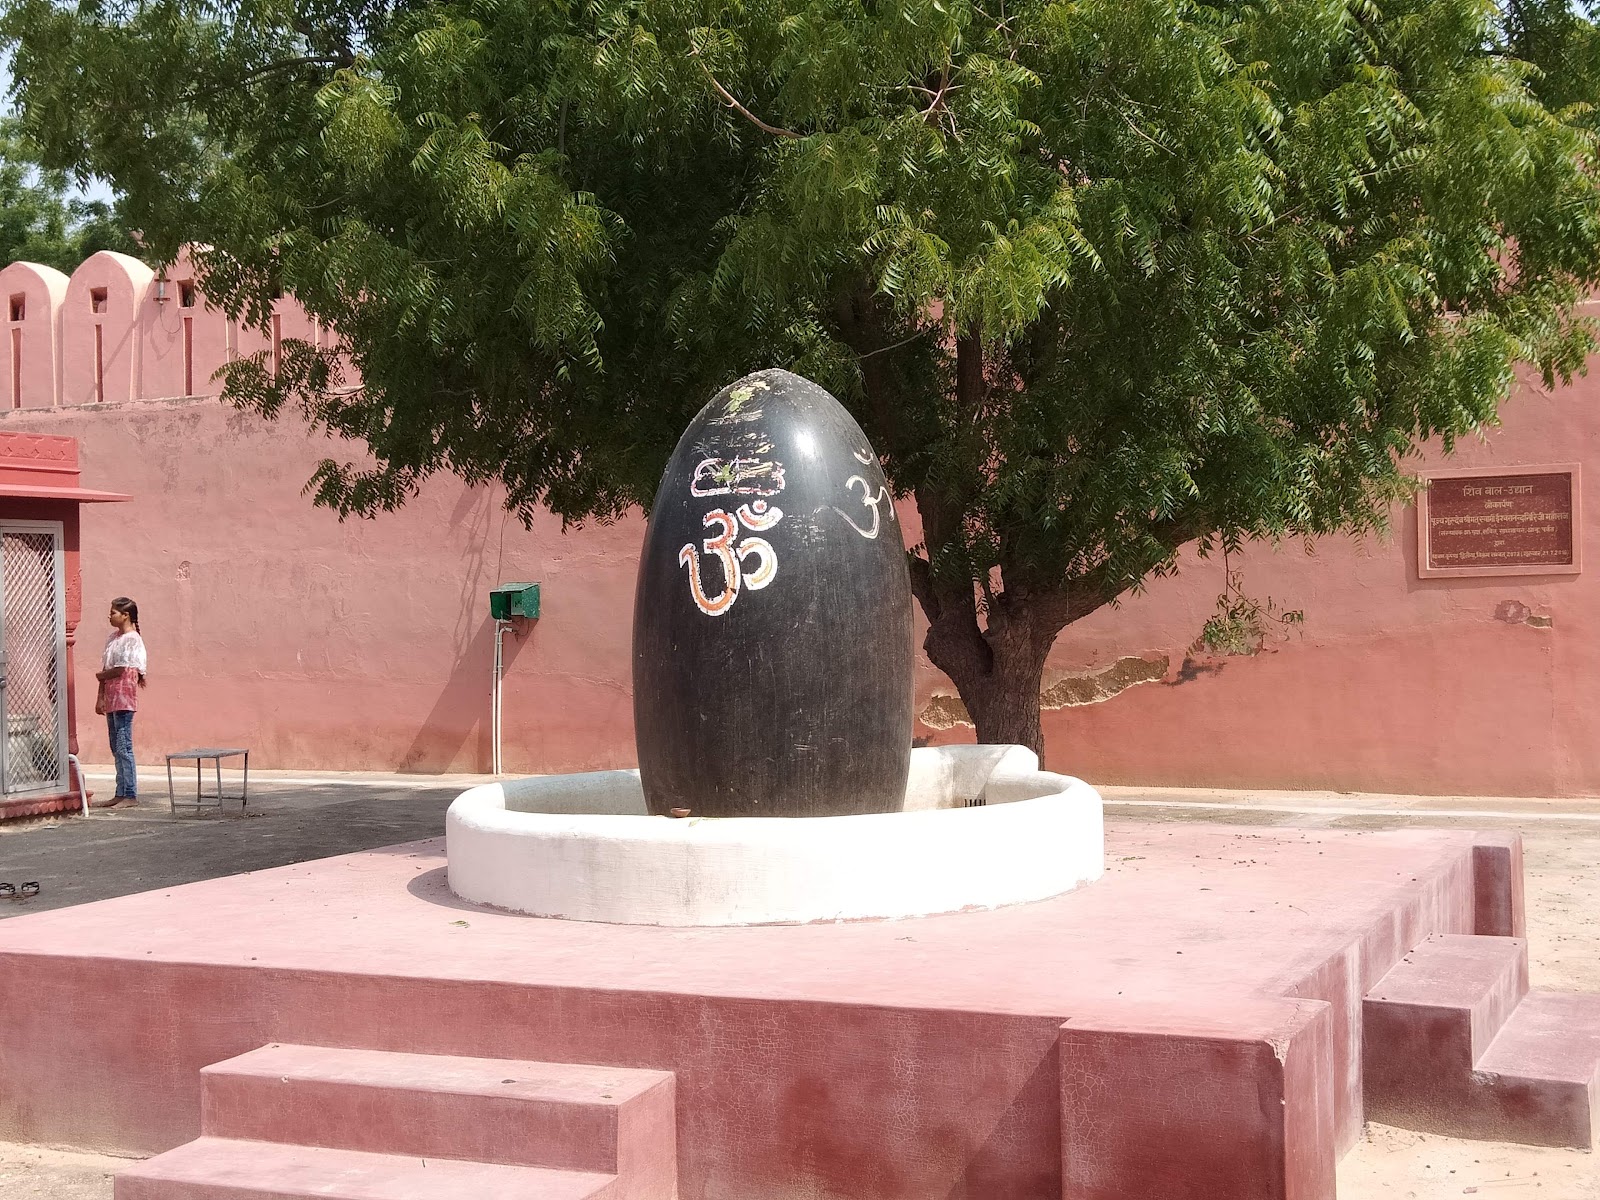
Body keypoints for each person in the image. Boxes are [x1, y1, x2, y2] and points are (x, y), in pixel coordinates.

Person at [93, 597, 146, 808]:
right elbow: (107, 668)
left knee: (124, 746)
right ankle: (120, 791)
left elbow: (121, 669)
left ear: (125, 615)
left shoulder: (132, 639)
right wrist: (101, 696)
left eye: (114, 612)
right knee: (116, 746)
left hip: (124, 698)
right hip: (112, 697)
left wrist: (101, 676)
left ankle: (130, 793)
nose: (110, 616)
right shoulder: (113, 638)